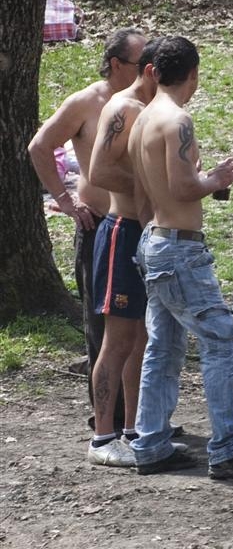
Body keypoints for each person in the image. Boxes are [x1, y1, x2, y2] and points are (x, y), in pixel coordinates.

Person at [128, 36, 233, 479]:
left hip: (155, 238)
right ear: (192, 74)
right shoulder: (177, 120)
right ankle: (229, 449)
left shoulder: (142, 119)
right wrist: (214, 179)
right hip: (178, 247)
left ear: (155, 70)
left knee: (164, 346)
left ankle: (151, 442)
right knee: (222, 340)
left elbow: (151, 189)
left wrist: (205, 180)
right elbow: (181, 188)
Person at [28, 27, 146, 431]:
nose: (151, 69)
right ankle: (106, 420)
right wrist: (65, 199)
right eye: (140, 62)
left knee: (142, 327)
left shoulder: (145, 101)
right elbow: (39, 147)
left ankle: (137, 416)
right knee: (104, 327)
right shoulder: (86, 102)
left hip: (139, 227)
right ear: (116, 64)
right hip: (98, 227)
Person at [84, 36, 163, 467]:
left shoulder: (150, 110)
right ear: (149, 71)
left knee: (141, 339)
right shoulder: (122, 107)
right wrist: (152, 185)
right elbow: (98, 171)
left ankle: (132, 429)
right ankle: (101, 438)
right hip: (121, 233)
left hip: (147, 232)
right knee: (117, 342)